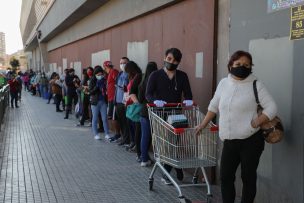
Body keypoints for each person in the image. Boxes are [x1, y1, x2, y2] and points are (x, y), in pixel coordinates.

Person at [195, 50, 277, 203]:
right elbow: (213, 106)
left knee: (248, 177)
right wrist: (203, 124)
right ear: (230, 65)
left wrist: (255, 123)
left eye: (246, 65)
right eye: (238, 64)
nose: (242, 67)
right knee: (225, 177)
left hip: (251, 140)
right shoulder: (224, 83)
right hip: (230, 141)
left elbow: (272, 107)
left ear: (251, 67)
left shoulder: (255, 84)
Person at [146, 48, 193, 184]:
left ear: (179, 62)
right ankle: (169, 171)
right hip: (159, 114)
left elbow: (188, 94)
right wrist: (154, 101)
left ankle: (171, 168)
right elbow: (148, 94)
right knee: (164, 145)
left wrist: (188, 100)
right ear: (165, 58)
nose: (172, 62)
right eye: (170, 59)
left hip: (176, 115)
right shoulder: (155, 75)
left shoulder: (182, 76)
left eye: (175, 60)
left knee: (174, 142)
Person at [138, 62, 158, 167]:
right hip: (156, 113)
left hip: (144, 112)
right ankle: (158, 159)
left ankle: (144, 159)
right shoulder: (157, 81)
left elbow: (140, 99)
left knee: (145, 137)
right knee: (157, 137)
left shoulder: (142, 83)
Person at [124, 61, 142, 160]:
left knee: (136, 128)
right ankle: (134, 144)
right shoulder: (132, 77)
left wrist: (136, 102)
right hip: (130, 104)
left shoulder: (138, 77)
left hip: (135, 105)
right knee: (132, 126)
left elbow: (133, 92)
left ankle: (137, 147)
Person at [89, 66, 110, 140]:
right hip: (95, 102)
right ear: (95, 74)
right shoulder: (92, 80)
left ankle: (107, 133)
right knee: (95, 118)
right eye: (98, 75)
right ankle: (96, 134)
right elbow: (90, 92)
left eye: (101, 74)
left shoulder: (104, 80)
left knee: (104, 118)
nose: (100, 76)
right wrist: (97, 86)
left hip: (103, 101)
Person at [114, 57, 130, 146]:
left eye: (124, 63)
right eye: (121, 63)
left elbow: (128, 88)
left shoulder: (129, 74)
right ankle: (124, 138)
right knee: (121, 121)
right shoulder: (120, 74)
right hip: (118, 101)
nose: (122, 65)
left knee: (126, 122)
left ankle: (127, 139)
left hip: (125, 102)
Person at [103, 61, 120, 142]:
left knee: (114, 117)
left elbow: (117, 82)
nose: (105, 69)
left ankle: (117, 134)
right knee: (111, 117)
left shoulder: (113, 72)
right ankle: (116, 134)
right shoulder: (109, 73)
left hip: (114, 98)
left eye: (106, 67)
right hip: (110, 98)